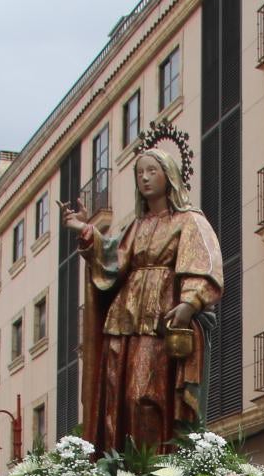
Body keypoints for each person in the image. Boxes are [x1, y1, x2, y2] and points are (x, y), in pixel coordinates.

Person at [64, 139, 224, 452]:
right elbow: (113, 259)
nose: (145, 178)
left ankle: (153, 471)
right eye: (140, 173)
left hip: (161, 320)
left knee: (145, 395)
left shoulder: (189, 220)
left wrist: (189, 304)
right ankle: (122, 472)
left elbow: (204, 263)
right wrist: (85, 230)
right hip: (126, 319)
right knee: (118, 395)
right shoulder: (136, 226)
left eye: (152, 171)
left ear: (169, 175)